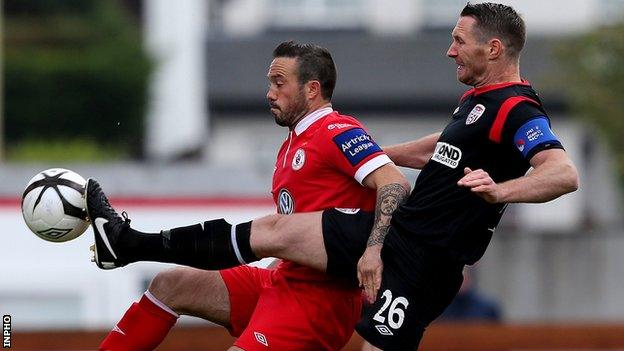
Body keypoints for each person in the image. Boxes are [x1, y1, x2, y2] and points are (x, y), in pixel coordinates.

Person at [86, 3, 579, 350]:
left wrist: (500, 191)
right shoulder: (477, 104)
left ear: (493, 49)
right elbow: (438, 149)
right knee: (214, 263)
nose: (450, 50)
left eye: (458, 40)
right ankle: (129, 243)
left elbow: (562, 172)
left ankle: (129, 242)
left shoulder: (516, 109)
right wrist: (368, 156)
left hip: (423, 265)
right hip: (396, 240)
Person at [90, 40, 409, 351]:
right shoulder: (291, 146)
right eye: (270, 83)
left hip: (319, 303)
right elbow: (296, 236)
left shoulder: (336, 130)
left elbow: (394, 183)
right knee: (169, 284)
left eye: (279, 83)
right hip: (283, 282)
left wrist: (373, 248)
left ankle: (129, 242)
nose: (270, 93)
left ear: (312, 89)